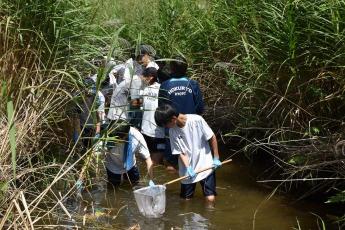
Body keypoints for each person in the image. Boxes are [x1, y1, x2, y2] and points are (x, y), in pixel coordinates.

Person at [154, 104, 221, 203]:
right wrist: (188, 168)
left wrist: (216, 157)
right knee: (186, 200)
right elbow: (181, 152)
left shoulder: (197, 120)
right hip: (187, 169)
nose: (165, 127)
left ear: (173, 119)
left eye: (165, 125)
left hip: (205, 163)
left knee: (210, 198)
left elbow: (212, 137)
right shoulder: (172, 132)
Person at [158, 55, 204, 169]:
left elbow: (162, 109)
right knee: (193, 159)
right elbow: (200, 108)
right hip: (191, 128)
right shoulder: (193, 84)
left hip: (172, 128)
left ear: (172, 68)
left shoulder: (165, 85)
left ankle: (174, 184)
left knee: (171, 163)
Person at [105, 120, 154, 186]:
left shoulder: (136, 136)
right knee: (113, 188)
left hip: (130, 164)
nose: (116, 141)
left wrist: (151, 180)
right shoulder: (107, 137)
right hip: (113, 166)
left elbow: (148, 159)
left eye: (118, 139)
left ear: (126, 135)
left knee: (134, 185)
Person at [141, 67, 165, 164]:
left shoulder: (145, 90)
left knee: (147, 158)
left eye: (144, 76)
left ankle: (149, 177)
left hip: (147, 130)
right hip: (158, 132)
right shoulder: (162, 88)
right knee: (157, 161)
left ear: (150, 77)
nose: (142, 78)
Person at [72, 77, 105, 148]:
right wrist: (77, 132)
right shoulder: (78, 95)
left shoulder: (99, 97)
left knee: (93, 146)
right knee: (83, 145)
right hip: (82, 122)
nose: (88, 94)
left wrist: (97, 133)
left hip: (94, 124)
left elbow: (99, 116)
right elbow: (76, 116)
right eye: (86, 92)